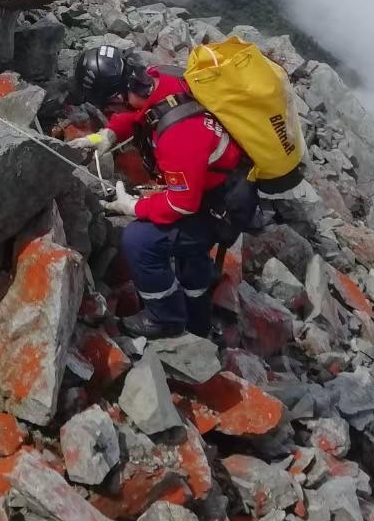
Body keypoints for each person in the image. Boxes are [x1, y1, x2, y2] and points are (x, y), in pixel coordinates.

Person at [67, 44, 257, 339]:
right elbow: (140, 113)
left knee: (139, 240)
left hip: (215, 207)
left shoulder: (179, 137)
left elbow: (182, 204)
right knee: (189, 257)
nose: (108, 112)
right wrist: (109, 133)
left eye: (108, 107)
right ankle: (199, 318)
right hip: (217, 186)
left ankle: (166, 318)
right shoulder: (159, 78)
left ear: (117, 96)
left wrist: (134, 207)